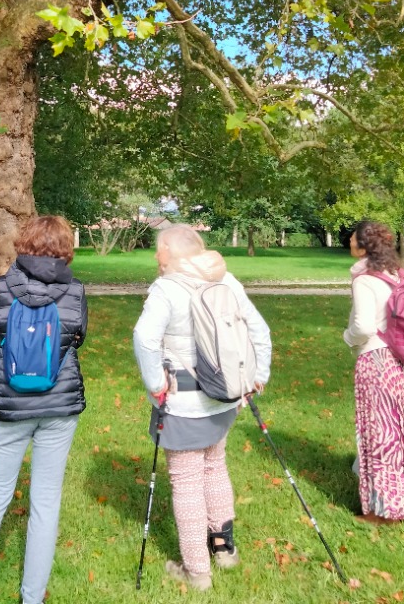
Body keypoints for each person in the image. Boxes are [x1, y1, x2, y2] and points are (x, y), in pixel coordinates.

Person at [0, 215, 87, 604]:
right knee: (45, 501)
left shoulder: (1, 287)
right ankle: (32, 597)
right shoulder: (76, 290)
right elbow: (77, 338)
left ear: (23, 243)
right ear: (66, 248)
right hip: (59, 405)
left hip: (11, 402)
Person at [133, 225, 271, 590]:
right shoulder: (227, 281)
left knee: (186, 482)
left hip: (183, 401)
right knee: (214, 466)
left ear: (171, 252)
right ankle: (224, 549)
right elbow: (259, 329)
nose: (155, 257)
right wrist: (258, 376)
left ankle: (197, 572)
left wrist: (154, 384)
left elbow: (145, 338)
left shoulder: (166, 289)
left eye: (158, 250)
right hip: (225, 397)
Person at [344, 220, 404, 523]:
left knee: (382, 433)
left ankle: (385, 510)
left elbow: (363, 326)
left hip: (379, 360)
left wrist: (347, 338)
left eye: (352, 238)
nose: (348, 242)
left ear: (363, 246)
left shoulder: (364, 280)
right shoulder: (401, 274)